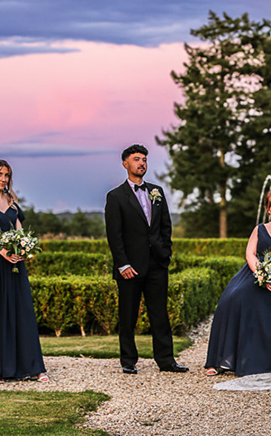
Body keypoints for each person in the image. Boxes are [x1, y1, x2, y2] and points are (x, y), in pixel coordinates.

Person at [205, 189, 271, 376]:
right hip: (251, 275)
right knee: (230, 299)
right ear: (268, 209)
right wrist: (261, 273)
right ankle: (218, 359)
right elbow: (250, 254)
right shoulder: (260, 229)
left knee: (249, 303)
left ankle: (243, 361)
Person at [105, 144, 186, 375]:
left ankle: (166, 360)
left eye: (144, 160)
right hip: (129, 267)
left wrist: (166, 254)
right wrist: (123, 264)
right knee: (128, 315)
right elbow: (115, 234)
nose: (142, 163)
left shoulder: (157, 192)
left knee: (160, 314)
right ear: (125, 164)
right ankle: (128, 361)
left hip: (156, 265)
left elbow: (165, 227)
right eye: (137, 159)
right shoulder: (115, 197)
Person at [0, 159, 47, 383]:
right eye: (0, 174)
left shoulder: (12, 200)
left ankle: (33, 367)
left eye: (7, 175)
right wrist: (2, 251)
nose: (4, 179)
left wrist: (24, 248)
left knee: (22, 311)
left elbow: (19, 230)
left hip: (15, 263)